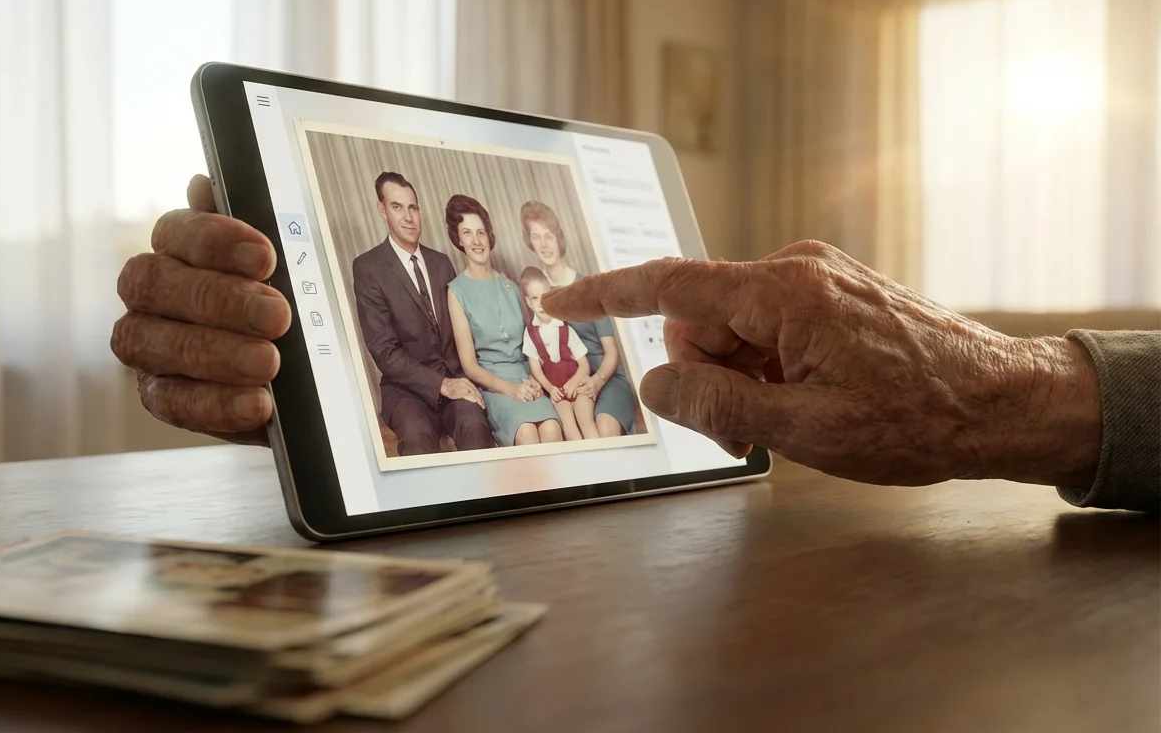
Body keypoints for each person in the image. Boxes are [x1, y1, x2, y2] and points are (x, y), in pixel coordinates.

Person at [112, 175, 1160, 512]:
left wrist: (996, 393)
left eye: (490, 231)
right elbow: (454, 356)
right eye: (465, 229)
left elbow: (568, 349)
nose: (468, 238)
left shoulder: (534, 285)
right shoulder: (400, 273)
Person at [349, 172, 496, 456]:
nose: (408, 217)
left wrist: (466, 380)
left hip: (455, 379)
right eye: (397, 207)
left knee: (476, 425)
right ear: (382, 210)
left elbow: (461, 330)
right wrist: (441, 385)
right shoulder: (368, 268)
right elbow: (384, 351)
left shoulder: (441, 263)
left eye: (413, 207)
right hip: (406, 392)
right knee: (417, 436)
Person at [443, 194, 563, 447]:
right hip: (494, 385)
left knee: (552, 429)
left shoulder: (512, 287)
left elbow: (531, 346)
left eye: (481, 233)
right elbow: (469, 365)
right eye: (467, 233)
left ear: (489, 236)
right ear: (459, 240)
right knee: (527, 434)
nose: (476, 241)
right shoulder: (457, 292)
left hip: (526, 379)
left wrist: (533, 378)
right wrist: (509, 390)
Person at [520, 200, 634, 438]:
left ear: (559, 238)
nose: (544, 244)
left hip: (604, 376)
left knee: (603, 429)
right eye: (536, 237)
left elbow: (611, 352)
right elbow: (537, 349)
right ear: (529, 242)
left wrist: (596, 381)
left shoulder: (588, 287)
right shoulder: (536, 295)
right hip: (562, 383)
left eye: (548, 236)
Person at [519, 266, 598, 440]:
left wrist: (575, 382)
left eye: (545, 297)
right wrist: (550, 389)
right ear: (528, 302)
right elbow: (536, 370)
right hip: (557, 391)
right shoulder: (530, 333)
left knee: (586, 420)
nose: (540, 303)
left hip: (577, 385)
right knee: (568, 424)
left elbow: (584, 364)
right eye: (534, 298)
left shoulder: (565, 328)